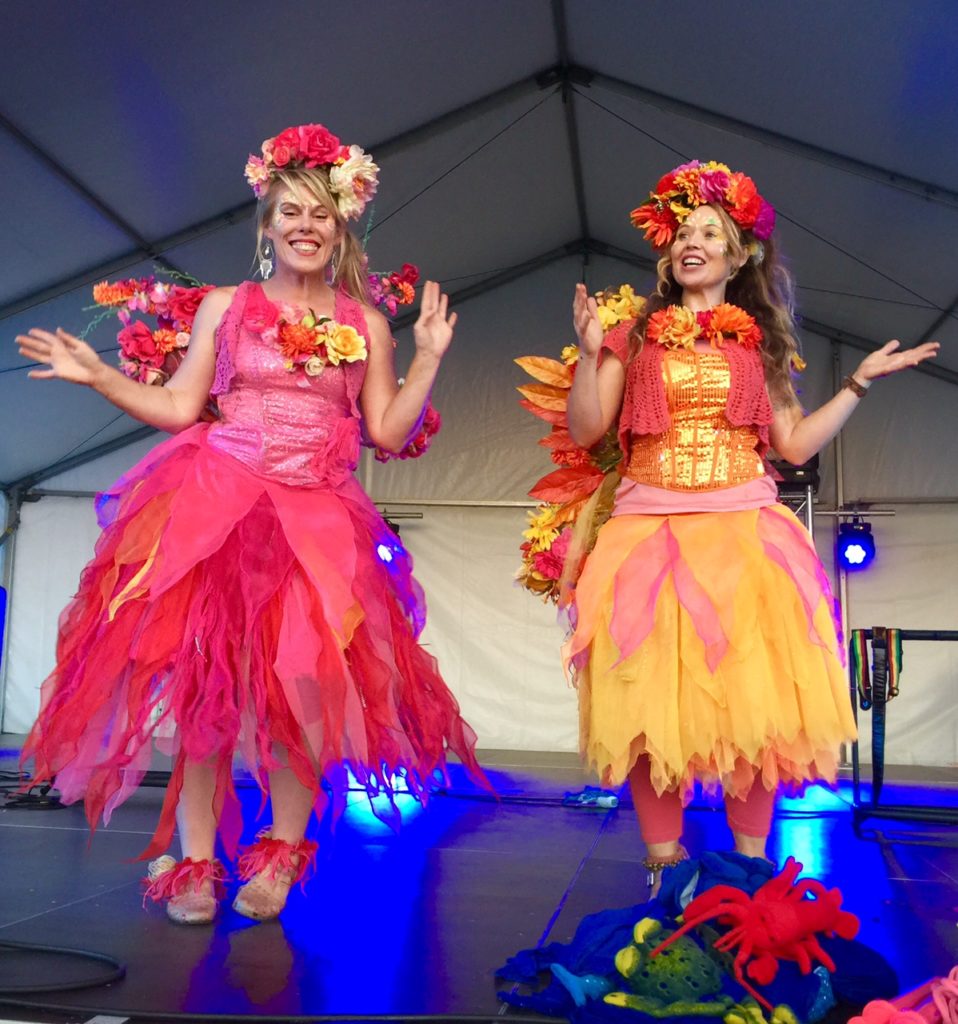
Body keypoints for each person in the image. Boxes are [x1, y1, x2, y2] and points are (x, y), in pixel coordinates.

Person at [16, 122, 486, 924]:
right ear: (267, 225)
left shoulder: (365, 323)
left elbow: (386, 432)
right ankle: (196, 862)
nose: (305, 226)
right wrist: (97, 377)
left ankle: (277, 856)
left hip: (319, 520)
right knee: (211, 698)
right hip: (224, 510)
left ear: (342, 228)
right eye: (290, 212)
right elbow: (177, 406)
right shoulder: (228, 309)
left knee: (302, 697)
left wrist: (430, 357)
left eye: (321, 214)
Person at [565, 160, 938, 891]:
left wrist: (858, 383)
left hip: (744, 531)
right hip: (649, 535)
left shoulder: (759, 345)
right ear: (668, 256)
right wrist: (586, 355)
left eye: (711, 232)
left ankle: (749, 871)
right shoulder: (632, 335)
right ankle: (664, 867)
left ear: (741, 257)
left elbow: (793, 446)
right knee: (648, 708)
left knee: (751, 709)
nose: (690, 242)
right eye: (681, 234)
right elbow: (588, 429)